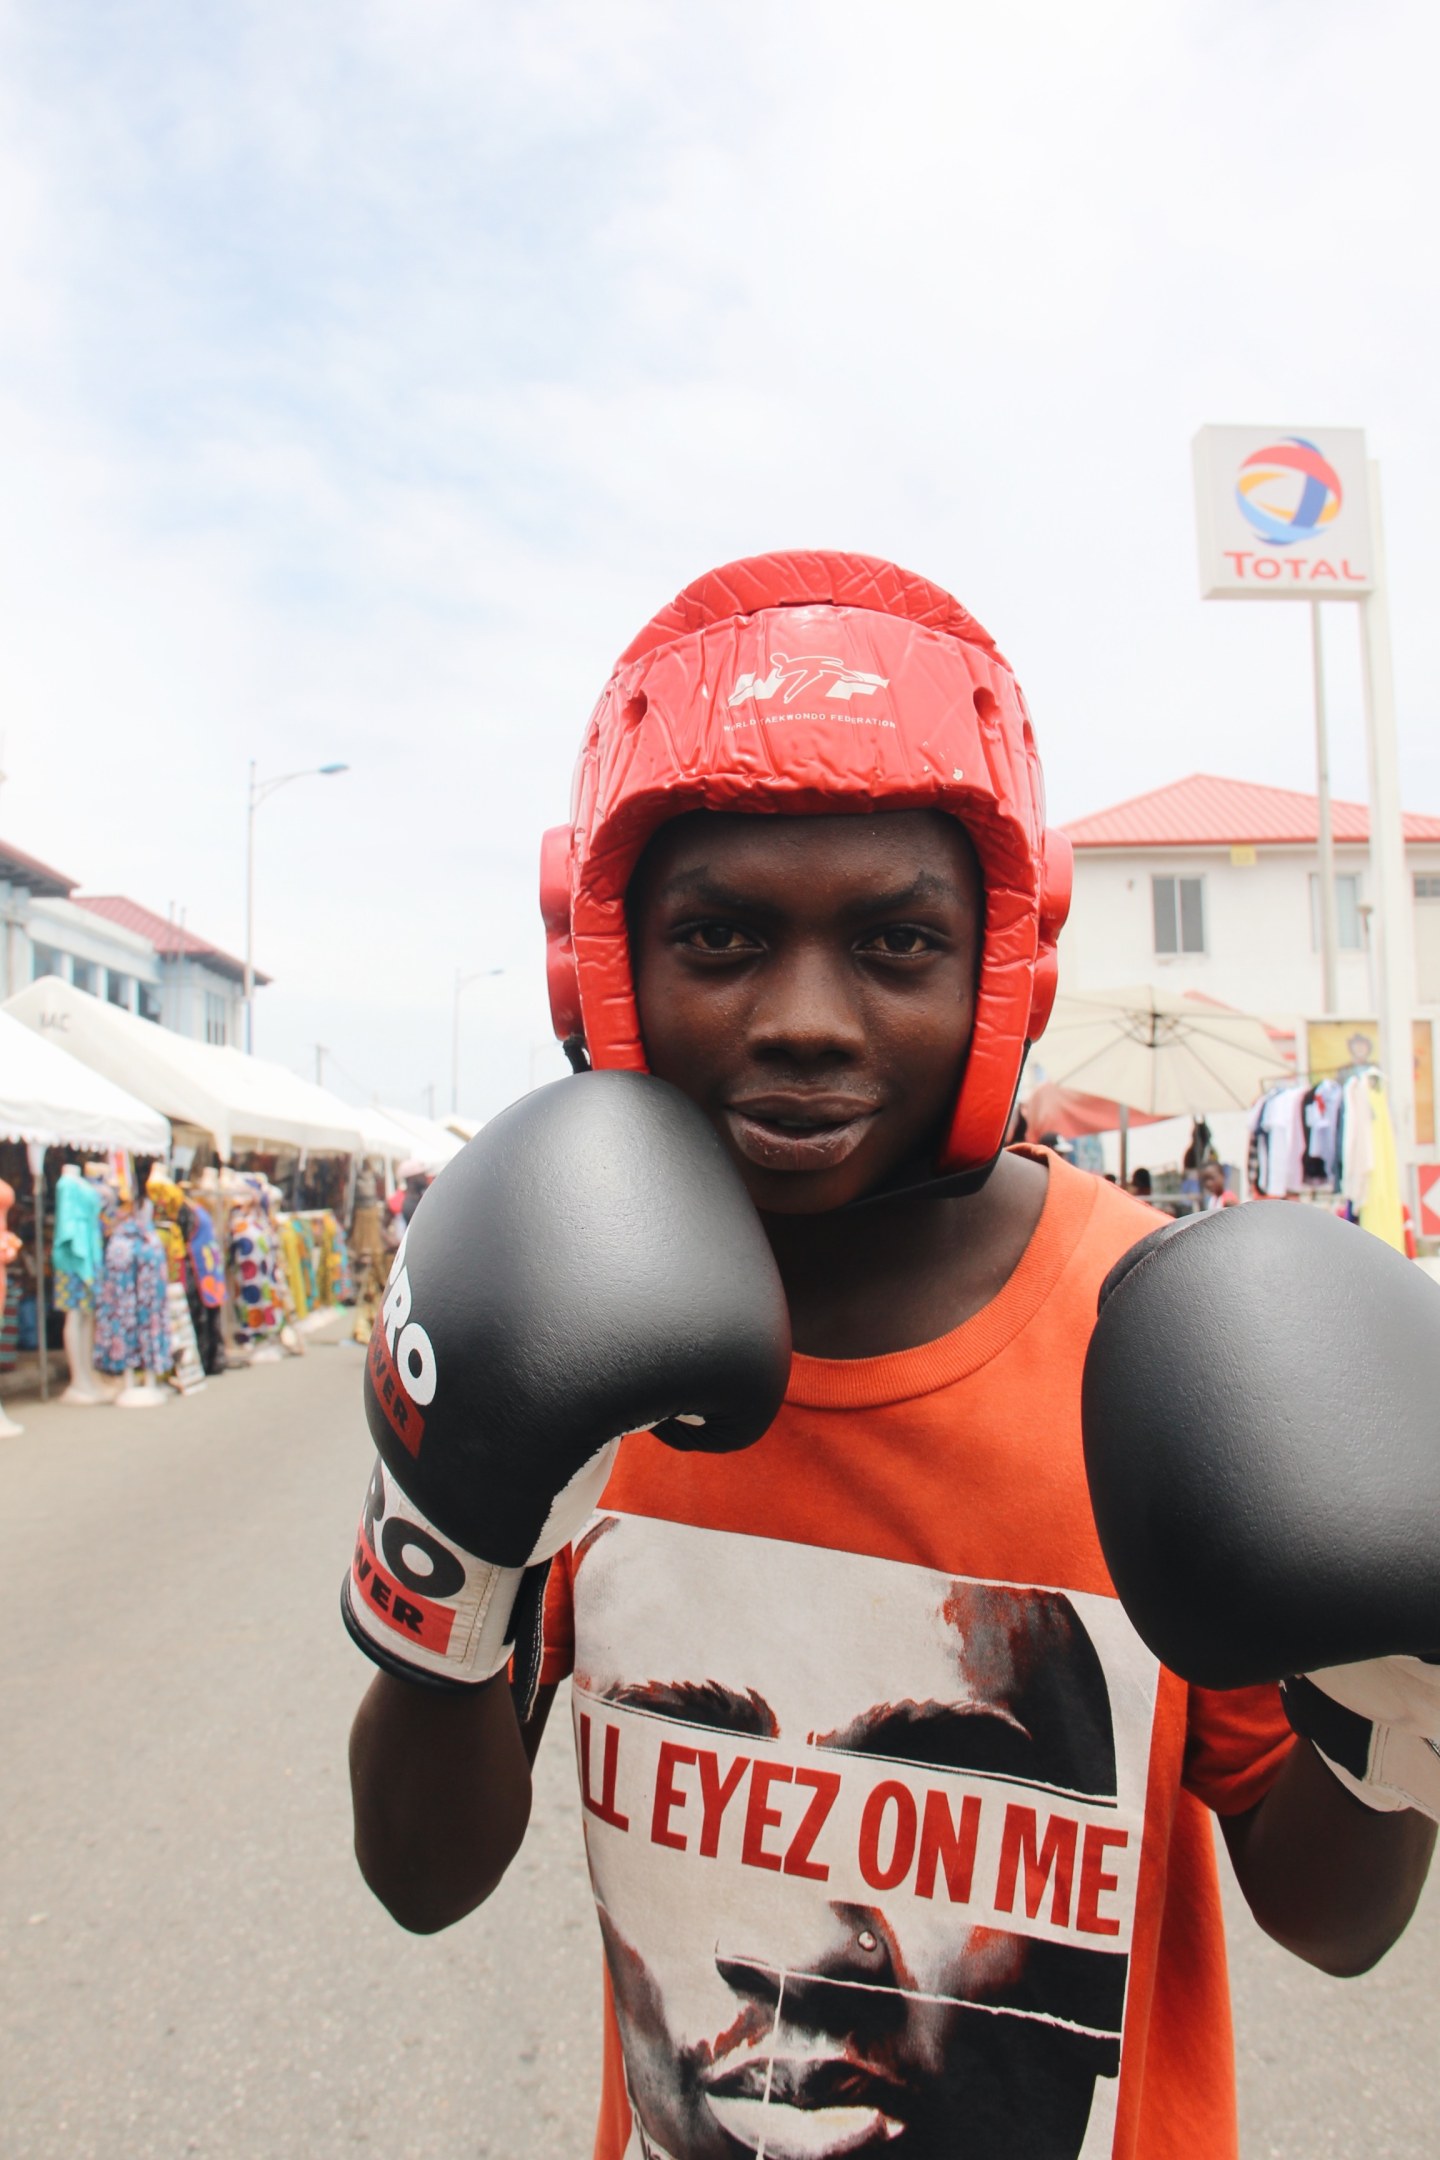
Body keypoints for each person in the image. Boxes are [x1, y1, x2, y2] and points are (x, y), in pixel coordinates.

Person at [346, 552, 1434, 2160]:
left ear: (1002, 965)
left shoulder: (1161, 1343)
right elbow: (423, 1878)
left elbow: (1329, 1916)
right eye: (718, 937)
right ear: (607, 962)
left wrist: (1401, 1701)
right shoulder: (570, 1311)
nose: (805, 1018)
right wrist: (436, 1561)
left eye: (898, 945)